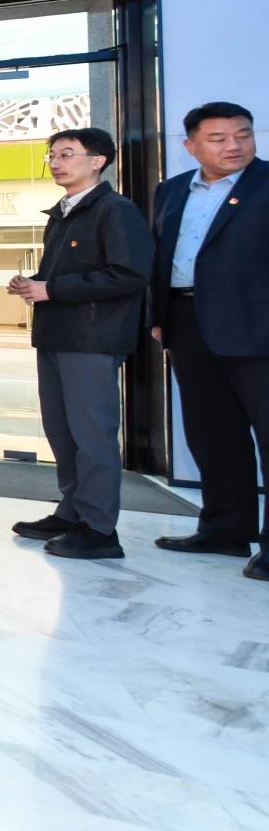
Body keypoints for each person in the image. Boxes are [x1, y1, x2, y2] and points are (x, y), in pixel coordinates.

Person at [5, 128, 153, 560]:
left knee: (92, 435)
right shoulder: (63, 213)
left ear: (98, 161)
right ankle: (71, 511)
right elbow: (63, 277)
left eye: (67, 154)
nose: (55, 162)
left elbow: (129, 274)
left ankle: (99, 527)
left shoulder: (116, 210)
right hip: (56, 335)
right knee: (61, 430)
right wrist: (33, 284)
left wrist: (53, 289)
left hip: (91, 339)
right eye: (52, 155)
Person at [149, 101, 269, 582]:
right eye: (218, 139)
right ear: (191, 146)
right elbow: (163, 255)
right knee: (211, 431)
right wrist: (159, 316)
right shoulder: (172, 189)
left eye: (243, 134)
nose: (234, 145)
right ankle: (225, 529)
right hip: (187, 320)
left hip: (256, 323)